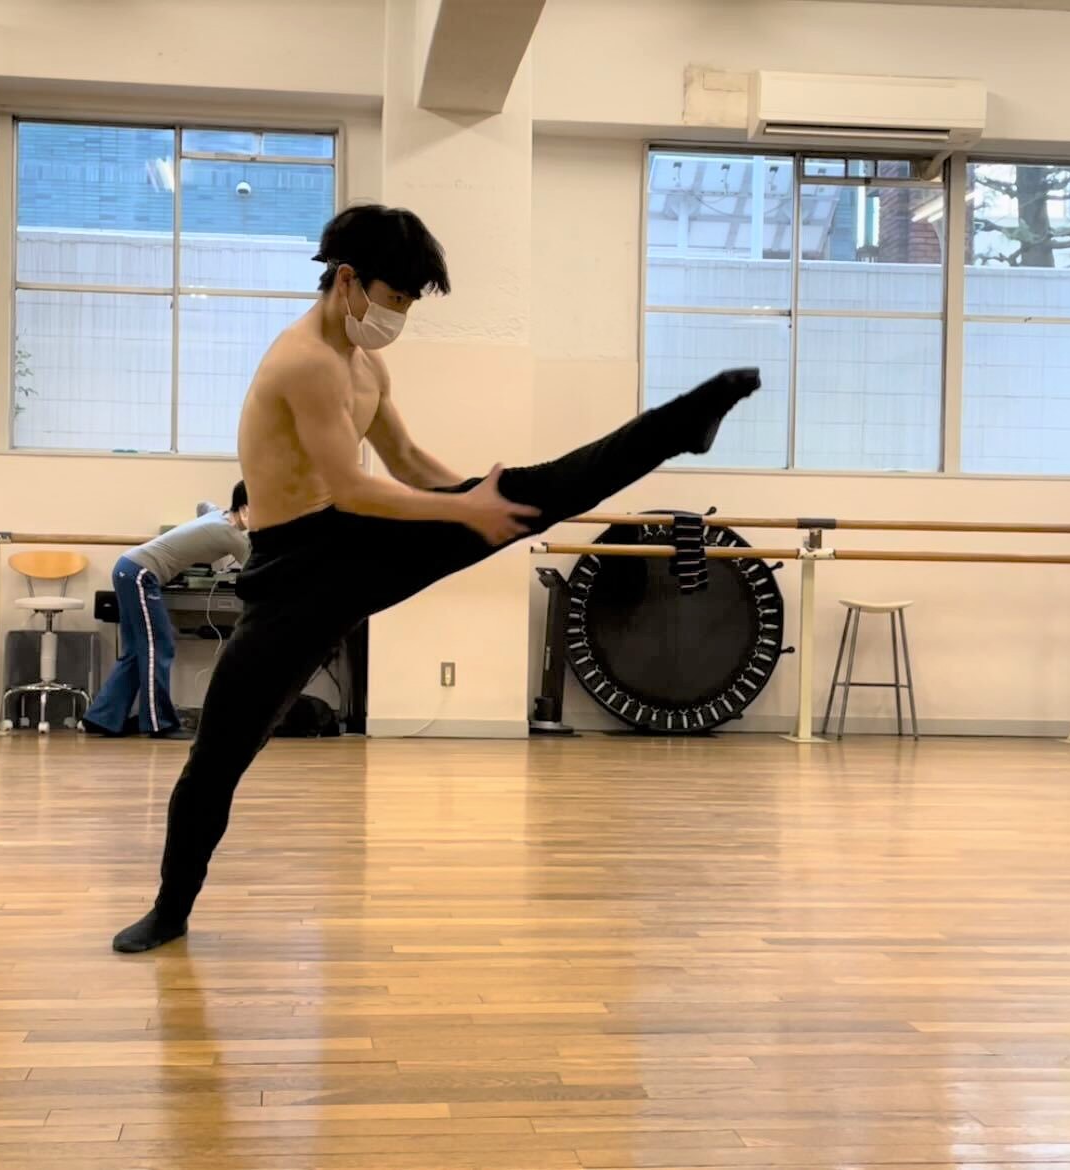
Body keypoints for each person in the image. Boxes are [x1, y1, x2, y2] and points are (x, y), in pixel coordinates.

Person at [112, 203, 763, 952]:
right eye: (395, 298)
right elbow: (351, 488)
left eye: (410, 303)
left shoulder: (366, 365)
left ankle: (680, 425)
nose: (400, 316)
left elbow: (408, 462)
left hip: (349, 541)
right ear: (348, 281)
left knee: (532, 492)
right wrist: (463, 512)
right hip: (295, 574)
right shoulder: (303, 363)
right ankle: (171, 911)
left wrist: (478, 501)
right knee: (220, 757)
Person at [83, 482, 252, 741]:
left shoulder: (218, 515)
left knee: (136, 650)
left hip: (129, 567)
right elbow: (255, 568)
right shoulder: (230, 533)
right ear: (246, 509)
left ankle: (103, 718)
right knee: (159, 646)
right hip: (141, 573)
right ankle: (158, 723)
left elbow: (203, 505)